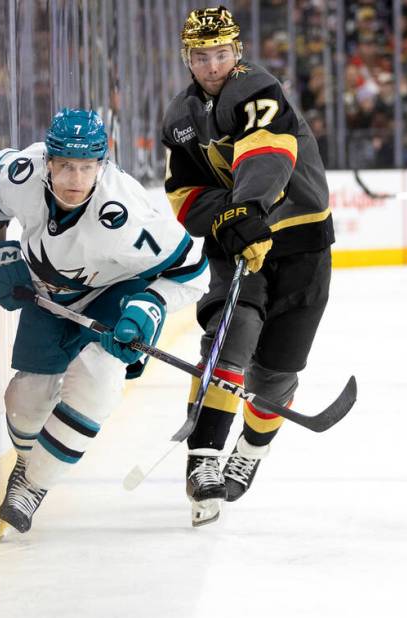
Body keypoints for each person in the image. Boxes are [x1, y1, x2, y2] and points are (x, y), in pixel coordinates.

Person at [0, 108, 209, 538]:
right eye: (65, 165)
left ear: (102, 165)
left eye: (86, 168)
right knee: (25, 402)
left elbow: (194, 273)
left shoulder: (126, 213)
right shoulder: (20, 174)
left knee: (98, 382)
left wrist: (149, 308)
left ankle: (32, 484)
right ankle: (30, 463)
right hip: (47, 295)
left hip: (113, 293)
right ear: (47, 161)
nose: (74, 178)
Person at [161, 7, 335, 526]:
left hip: (301, 241)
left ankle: (250, 453)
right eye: (200, 55)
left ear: (236, 52)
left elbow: (266, 151)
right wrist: (232, 222)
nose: (211, 65)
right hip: (238, 240)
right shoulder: (180, 118)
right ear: (187, 58)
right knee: (229, 337)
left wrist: (248, 207)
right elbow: (185, 194)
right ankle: (203, 460)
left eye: (220, 53)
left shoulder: (257, 87)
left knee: (278, 371)